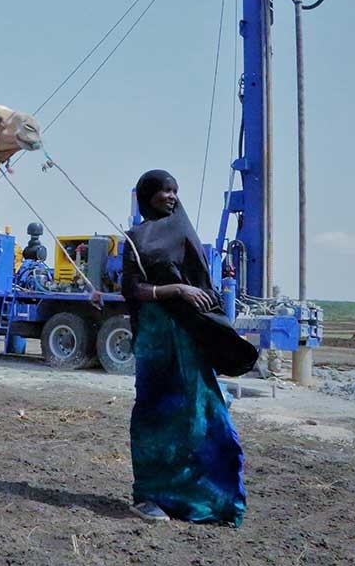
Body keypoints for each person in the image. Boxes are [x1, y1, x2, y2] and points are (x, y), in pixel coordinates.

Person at [119, 170, 257, 526]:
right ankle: (148, 497)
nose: (171, 196)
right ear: (147, 195)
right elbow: (132, 290)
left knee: (203, 414)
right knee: (155, 416)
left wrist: (217, 327)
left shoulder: (184, 233)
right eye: (164, 190)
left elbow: (205, 287)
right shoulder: (134, 239)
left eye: (175, 190)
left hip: (188, 336)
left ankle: (211, 499)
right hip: (155, 342)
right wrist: (176, 291)